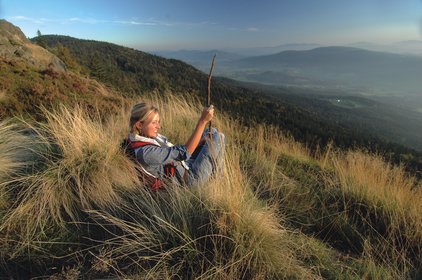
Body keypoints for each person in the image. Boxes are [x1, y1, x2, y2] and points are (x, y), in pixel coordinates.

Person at [124, 102, 225, 190]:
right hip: (190, 180)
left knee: (211, 132)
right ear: (139, 125)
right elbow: (183, 152)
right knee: (218, 137)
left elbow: (176, 153)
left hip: (183, 165)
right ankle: (217, 181)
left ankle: (215, 178)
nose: (158, 126)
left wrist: (199, 143)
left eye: (158, 122)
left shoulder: (137, 139)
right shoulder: (146, 153)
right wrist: (203, 121)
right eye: (154, 122)